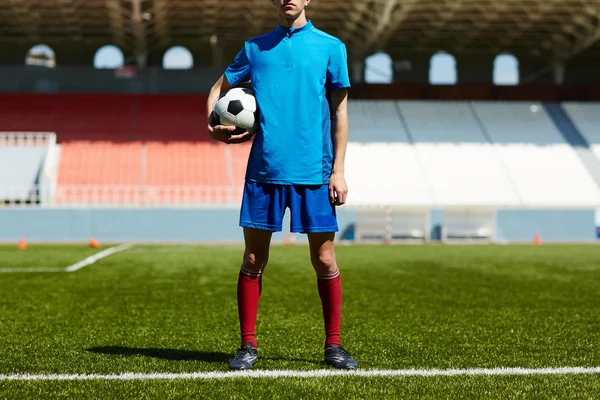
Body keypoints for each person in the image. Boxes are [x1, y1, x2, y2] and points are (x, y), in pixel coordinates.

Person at [206, 0, 358, 370]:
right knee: (254, 259)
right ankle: (247, 346)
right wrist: (212, 124)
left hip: (315, 172)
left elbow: (340, 112)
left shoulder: (331, 47)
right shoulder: (254, 48)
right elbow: (219, 87)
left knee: (324, 259)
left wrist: (338, 170)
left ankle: (334, 346)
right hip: (265, 170)